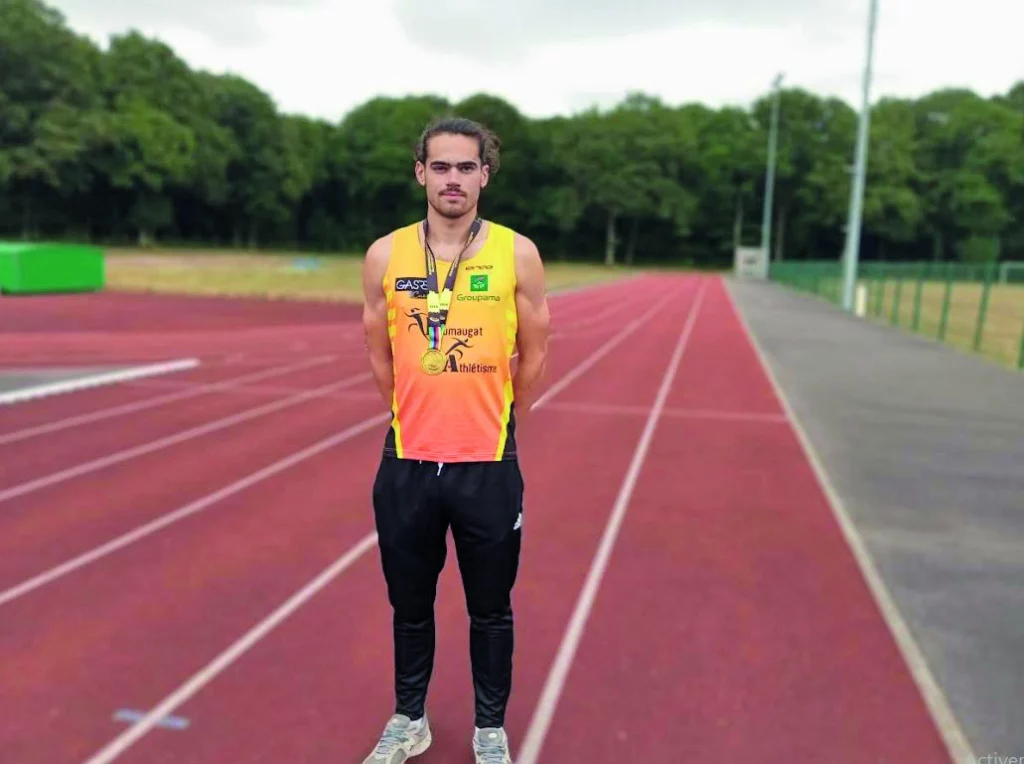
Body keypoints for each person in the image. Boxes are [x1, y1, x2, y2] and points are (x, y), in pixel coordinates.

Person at [359, 116, 550, 763]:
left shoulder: (517, 253)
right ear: (421, 173)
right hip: (407, 460)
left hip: (487, 462)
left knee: (490, 608)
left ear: (484, 176)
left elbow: (535, 353)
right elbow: (379, 353)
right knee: (409, 606)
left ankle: (489, 729)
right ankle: (409, 719)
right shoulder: (385, 255)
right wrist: (413, 413)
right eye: (440, 166)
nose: (452, 179)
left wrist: (499, 420)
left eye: (466, 167)